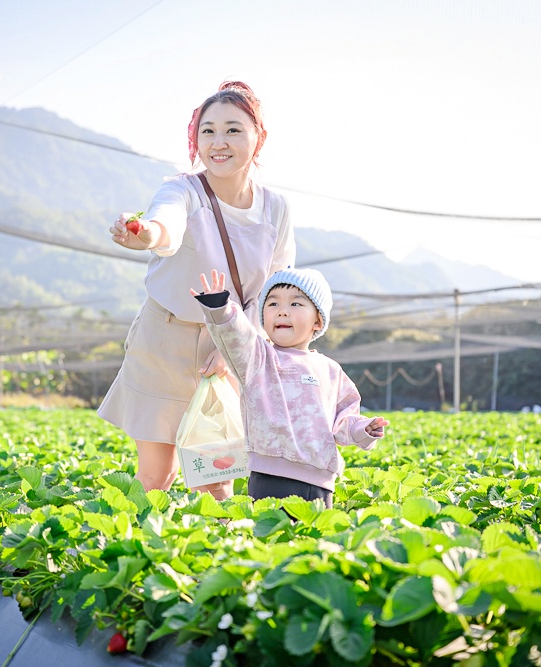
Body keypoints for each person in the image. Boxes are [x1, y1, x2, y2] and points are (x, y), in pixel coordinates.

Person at [98, 81, 295, 500]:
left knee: (216, 481)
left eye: (233, 130)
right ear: (196, 139)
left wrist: (235, 345)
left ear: (257, 137)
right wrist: (146, 233)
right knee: (156, 475)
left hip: (230, 344)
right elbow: (163, 223)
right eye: (208, 131)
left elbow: (274, 287)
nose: (218, 142)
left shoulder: (276, 208)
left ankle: (212, 561)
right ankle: (141, 557)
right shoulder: (182, 189)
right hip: (164, 338)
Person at [190, 267, 389, 508]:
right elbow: (236, 337)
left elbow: (344, 420)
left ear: (318, 320)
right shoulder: (257, 358)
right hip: (269, 476)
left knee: (312, 541)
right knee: (270, 540)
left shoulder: (331, 370)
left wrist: (363, 429)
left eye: (296, 304)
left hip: (319, 481)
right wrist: (220, 309)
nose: (282, 311)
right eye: (273, 304)